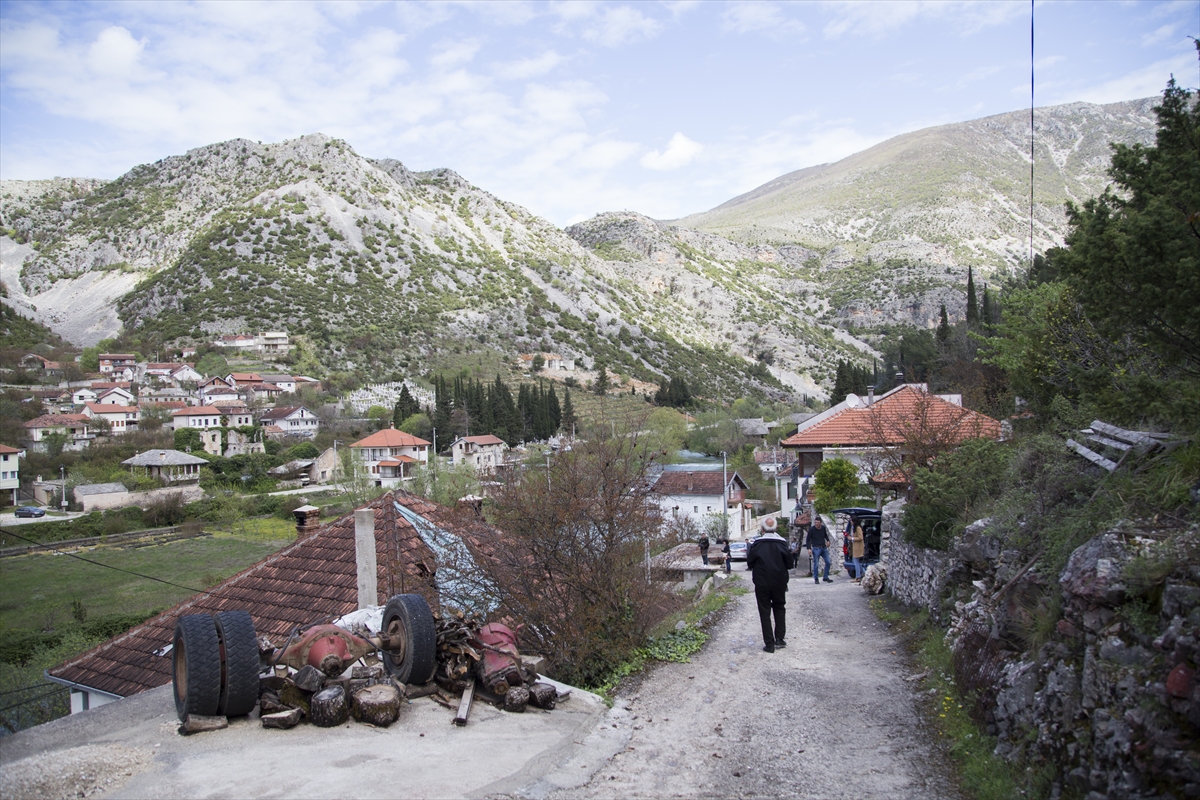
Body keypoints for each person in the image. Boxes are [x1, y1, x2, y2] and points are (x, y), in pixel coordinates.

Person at [746, 517, 794, 653]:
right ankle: (780, 638)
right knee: (779, 608)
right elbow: (790, 564)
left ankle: (769, 643)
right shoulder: (782, 544)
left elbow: (750, 562)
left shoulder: (757, 545)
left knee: (764, 611)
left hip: (762, 583)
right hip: (779, 582)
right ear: (776, 528)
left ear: (762, 529)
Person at [805, 514, 833, 584]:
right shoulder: (812, 529)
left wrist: (828, 540)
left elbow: (825, 535)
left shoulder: (823, 528)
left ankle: (825, 576)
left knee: (828, 562)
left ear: (820, 522)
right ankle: (816, 578)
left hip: (823, 547)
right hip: (816, 548)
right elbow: (808, 539)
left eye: (817, 522)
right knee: (816, 564)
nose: (816, 524)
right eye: (815, 522)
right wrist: (809, 548)